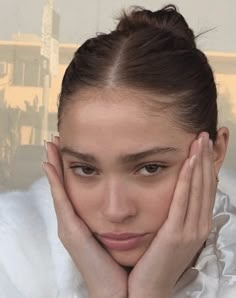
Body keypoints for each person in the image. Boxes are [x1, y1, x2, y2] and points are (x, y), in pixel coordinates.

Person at [0, 4, 235, 298]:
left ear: (215, 152)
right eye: (86, 169)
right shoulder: (13, 261)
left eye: (150, 168)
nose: (115, 210)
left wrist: (151, 291)